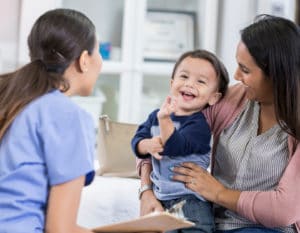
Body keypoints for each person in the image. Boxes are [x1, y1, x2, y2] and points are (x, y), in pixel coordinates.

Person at [137, 14, 300, 233]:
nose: (236, 75)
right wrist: (146, 190)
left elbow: (284, 209)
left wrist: (218, 193)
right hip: (211, 222)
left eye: (245, 69)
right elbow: (157, 137)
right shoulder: (234, 101)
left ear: (276, 75)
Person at [0, 8, 102, 233]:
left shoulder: (11, 99)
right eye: (98, 51)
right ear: (84, 60)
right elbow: (60, 229)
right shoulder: (67, 116)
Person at [132, 49, 229, 233]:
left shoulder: (199, 125)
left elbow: (175, 146)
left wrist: (164, 120)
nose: (189, 84)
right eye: (184, 76)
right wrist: (146, 145)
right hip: (161, 197)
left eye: (201, 81)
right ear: (172, 83)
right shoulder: (156, 116)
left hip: (191, 199)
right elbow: (137, 141)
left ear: (213, 97)